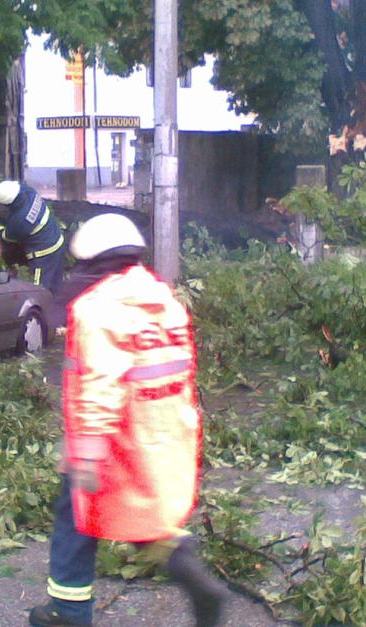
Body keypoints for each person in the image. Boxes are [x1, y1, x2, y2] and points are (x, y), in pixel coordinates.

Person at [29, 213, 225, 627]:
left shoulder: (99, 307)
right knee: (144, 518)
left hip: (113, 439)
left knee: (75, 518)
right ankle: (195, 579)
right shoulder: (163, 300)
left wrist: (85, 451)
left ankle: (68, 612)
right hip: (163, 433)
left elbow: (100, 382)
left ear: (92, 261)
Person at [0, 181, 65, 294]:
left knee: (38, 292)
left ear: (9, 204)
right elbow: (6, 188)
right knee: (55, 285)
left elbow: (6, 236)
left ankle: (44, 304)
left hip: (43, 255)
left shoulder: (20, 220)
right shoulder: (29, 192)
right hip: (58, 241)